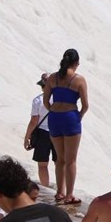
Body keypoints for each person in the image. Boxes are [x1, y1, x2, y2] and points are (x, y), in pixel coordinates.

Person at [43, 49, 88, 205]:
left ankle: (59, 192)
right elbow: (85, 105)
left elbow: (45, 102)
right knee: (71, 160)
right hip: (70, 117)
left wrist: (54, 111)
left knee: (59, 159)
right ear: (76, 63)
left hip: (54, 117)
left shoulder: (52, 78)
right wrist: (78, 117)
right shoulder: (78, 79)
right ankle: (69, 194)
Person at [24, 73, 55, 187]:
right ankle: (62, 190)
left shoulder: (38, 100)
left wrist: (27, 137)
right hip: (58, 132)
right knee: (59, 163)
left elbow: (34, 121)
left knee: (43, 165)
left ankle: (46, 187)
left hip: (43, 133)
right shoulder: (59, 98)